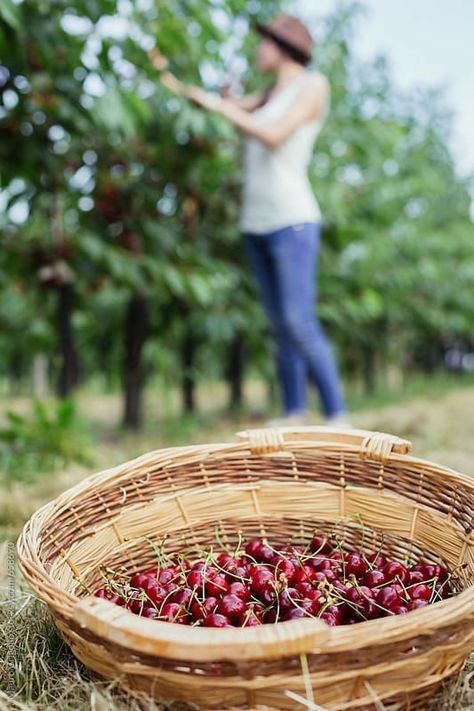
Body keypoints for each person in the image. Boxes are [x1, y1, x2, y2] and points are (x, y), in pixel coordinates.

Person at [149, 14, 348, 427]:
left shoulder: (312, 86)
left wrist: (224, 106)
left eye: (263, 43)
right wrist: (165, 75)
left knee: (299, 320)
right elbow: (208, 102)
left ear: (282, 45)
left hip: (292, 220)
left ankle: (337, 416)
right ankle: (295, 411)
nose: (257, 51)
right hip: (255, 223)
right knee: (280, 325)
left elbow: (273, 135)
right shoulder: (268, 93)